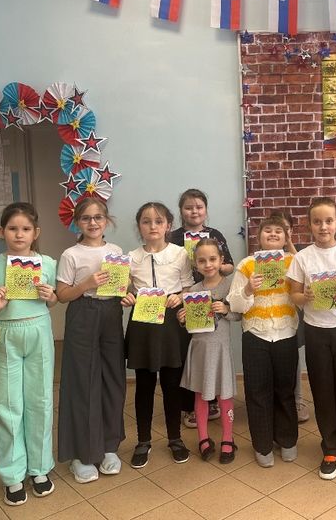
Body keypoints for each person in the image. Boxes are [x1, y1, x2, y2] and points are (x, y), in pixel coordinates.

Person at [0, 203, 58, 505]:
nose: (19, 234)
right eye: (12, 229)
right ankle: (12, 474)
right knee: (8, 404)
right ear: (2, 232)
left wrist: (51, 296)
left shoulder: (48, 263)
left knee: (40, 401)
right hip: (4, 335)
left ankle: (39, 468)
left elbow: (54, 301)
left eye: (25, 229)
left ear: (36, 233)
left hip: (38, 331)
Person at [287, 197, 336, 480]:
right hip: (316, 331)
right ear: (309, 225)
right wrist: (305, 296)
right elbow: (294, 295)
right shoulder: (302, 258)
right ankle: (330, 446)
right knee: (323, 389)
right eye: (317, 222)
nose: (323, 227)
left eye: (329, 221)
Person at [56, 198, 126, 483]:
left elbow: (121, 286)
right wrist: (86, 284)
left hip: (111, 313)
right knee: (82, 381)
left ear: (107, 220)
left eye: (98, 217)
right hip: (82, 312)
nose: (93, 223)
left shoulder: (116, 251)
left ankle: (109, 446)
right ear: (77, 222)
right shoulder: (70, 254)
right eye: (86, 218)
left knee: (113, 379)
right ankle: (82, 454)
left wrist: (126, 293)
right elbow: (62, 295)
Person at [122, 202, 194, 468]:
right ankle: (143, 441)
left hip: (171, 325)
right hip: (142, 325)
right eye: (146, 221)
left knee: (172, 384)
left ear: (168, 225)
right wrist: (126, 296)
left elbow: (189, 286)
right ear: (139, 226)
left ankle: (175, 438)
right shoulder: (131, 257)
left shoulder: (180, 254)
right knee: (144, 385)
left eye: (159, 221)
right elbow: (122, 288)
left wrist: (180, 297)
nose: (153, 226)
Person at [229, 216, 298, 467]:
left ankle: (287, 440)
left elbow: (304, 295)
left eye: (279, 231)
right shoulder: (247, 265)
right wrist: (248, 289)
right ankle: (262, 444)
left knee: (285, 390)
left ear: (286, 237)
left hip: (285, 333)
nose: (273, 234)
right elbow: (235, 305)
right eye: (267, 230)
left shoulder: (294, 263)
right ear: (258, 237)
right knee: (257, 392)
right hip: (255, 335)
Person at [169, 188, 234, 428]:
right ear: (181, 211)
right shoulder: (173, 237)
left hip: (212, 294)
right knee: (189, 353)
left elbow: (230, 266)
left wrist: (215, 266)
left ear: (206, 209)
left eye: (199, 207)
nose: (194, 211)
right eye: (188, 207)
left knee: (212, 353)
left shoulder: (215, 235)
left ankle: (213, 401)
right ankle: (190, 406)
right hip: (184, 295)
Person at [178, 239, 239, 463]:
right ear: (196, 264)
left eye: (213, 259)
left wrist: (226, 309)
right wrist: (182, 319)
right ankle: (203, 438)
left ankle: (227, 438)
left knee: (224, 394)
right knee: (200, 394)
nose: (208, 264)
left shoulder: (230, 286)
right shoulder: (193, 291)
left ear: (221, 260)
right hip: (199, 349)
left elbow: (239, 315)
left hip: (220, 349)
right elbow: (190, 325)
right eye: (202, 261)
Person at [269, 208, 310, 424]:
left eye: (285, 229)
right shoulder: (263, 255)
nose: (279, 233)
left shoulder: (299, 253)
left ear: (291, 231)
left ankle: (298, 400)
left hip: (293, 311)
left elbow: (302, 267)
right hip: (271, 315)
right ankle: (276, 401)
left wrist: (289, 243)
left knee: (293, 357)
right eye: (275, 229)